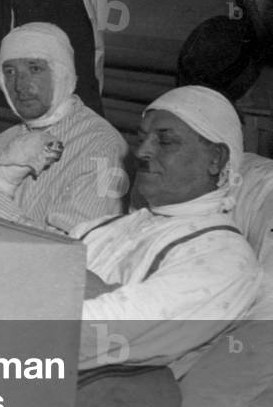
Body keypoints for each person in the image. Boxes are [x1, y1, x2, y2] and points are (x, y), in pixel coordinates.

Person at [77, 86, 260, 377]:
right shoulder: (107, 227)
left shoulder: (223, 257)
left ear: (216, 159)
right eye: (142, 138)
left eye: (165, 141)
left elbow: (107, 330)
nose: (142, 151)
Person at [0, 22, 127, 233]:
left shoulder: (100, 145)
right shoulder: (6, 139)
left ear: (62, 72)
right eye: (10, 71)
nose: (20, 85)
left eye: (35, 69)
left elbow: (73, 251)